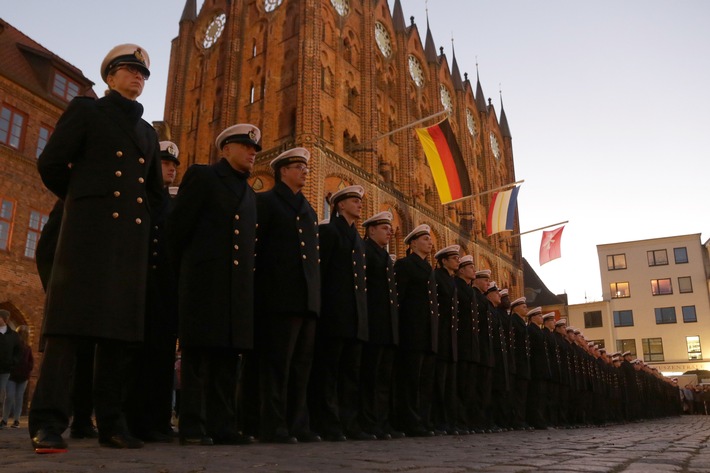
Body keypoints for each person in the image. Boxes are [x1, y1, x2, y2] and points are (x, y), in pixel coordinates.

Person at [31, 43, 163, 451]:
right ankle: (49, 422)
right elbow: (51, 163)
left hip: (128, 245)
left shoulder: (147, 133)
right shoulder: (87, 111)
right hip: (86, 238)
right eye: (128, 70)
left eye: (142, 73)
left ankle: (111, 423)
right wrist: (82, 201)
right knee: (66, 332)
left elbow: (155, 193)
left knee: (116, 338)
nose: (137, 77)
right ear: (110, 76)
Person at [167, 124, 259, 446]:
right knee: (197, 357)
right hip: (204, 281)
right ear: (226, 149)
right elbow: (178, 229)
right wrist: (187, 273)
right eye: (245, 147)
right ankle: (192, 425)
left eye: (254, 149)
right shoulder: (203, 177)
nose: (252, 153)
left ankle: (223, 426)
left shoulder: (249, 193)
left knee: (227, 359)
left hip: (236, 289)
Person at [254, 148, 321, 444]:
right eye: (299, 166)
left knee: (301, 366)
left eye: (306, 167)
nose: (305, 171)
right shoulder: (266, 202)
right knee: (277, 363)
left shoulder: (308, 208)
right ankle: (273, 423)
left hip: (306, 299)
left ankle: (298, 423)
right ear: (283, 171)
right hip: (279, 296)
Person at [126, 141, 181, 442]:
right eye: (164, 163)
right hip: (141, 285)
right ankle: (136, 419)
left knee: (162, 358)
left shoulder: (173, 204)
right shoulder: (141, 196)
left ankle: (160, 420)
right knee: (138, 357)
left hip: (166, 289)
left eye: (174, 165)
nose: (171, 168)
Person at [309, 185, 373, 441]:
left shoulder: (356, 238)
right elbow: (321, 275)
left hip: (354, 317)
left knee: (349, 373)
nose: (359, 204)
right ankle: (327, 422)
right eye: (354, 201)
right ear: (340, 205)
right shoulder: (328, 231)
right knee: (329, 371)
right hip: (335, 314)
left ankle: (349, 422)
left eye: (359, 200)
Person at [35, 200, 98, 440]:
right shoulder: (71, 201)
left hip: (94, 298)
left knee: (88, 362)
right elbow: (47, 249)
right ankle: (51, 421)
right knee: (61, 359)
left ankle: (82, 420)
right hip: (68, 296)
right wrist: (55, 288)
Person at [359, 211, 402, 440]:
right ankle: (369, 422)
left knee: (383, 378)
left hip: (386, 327)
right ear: (371, 230)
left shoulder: (384, 256)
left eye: (389, 228)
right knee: (371, 377)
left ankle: (382, 421)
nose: (389, 232)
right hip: (373, 324)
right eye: (384, 228)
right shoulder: (366, 251)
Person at [393, 224, 438, 438]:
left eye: (430, 239)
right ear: (413, 243)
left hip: (427, 332)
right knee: (410, 378)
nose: (430, 242)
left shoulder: (429, 269)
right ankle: (409, 420)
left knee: (424, 379)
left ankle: (422, 418)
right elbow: (399, 299)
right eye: (425, 239)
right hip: (412, 329)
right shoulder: (405, 265)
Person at [432, 245, 460, 435]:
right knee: (439, 381)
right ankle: (439, 420)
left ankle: (449, 420)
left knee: (450, 382)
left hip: (451, 338)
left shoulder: (452, 280)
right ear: (444, 261)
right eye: (454, 258)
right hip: (441, 335)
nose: (457, 260)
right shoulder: (437, 277)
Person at [453, 255, 480, 434]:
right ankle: (459, 421)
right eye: (470, 267)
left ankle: (468, 421)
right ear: (461, 270)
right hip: (460, 340)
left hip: (470, 343)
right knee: (460, 383)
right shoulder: (457, 287)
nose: (474, 270)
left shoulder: (470, 291)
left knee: (469, 384)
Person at [3, 325, 32, 428]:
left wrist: (28, 369)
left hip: (23, 376)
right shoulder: (12, 345)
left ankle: (16, 420)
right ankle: (4, 419)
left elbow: (30, 361)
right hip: (11, 375)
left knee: (19, 398)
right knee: (9, 396)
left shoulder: (28, 348)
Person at [509, 297, 532, 430]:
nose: (526, 308)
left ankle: (521, 419)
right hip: (518, 362)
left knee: (523, 394)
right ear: (516, 308)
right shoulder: (514, 322)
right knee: (518, 394)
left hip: (524, 363)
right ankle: (517, 420)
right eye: (523, 306)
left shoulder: (521, 323)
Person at [0, 310, 21, 429]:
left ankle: (2, 420)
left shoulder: (13, 335)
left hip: (5, 369)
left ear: (4, 319)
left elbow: (18, 350)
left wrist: (13, 362)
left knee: (1, 393)